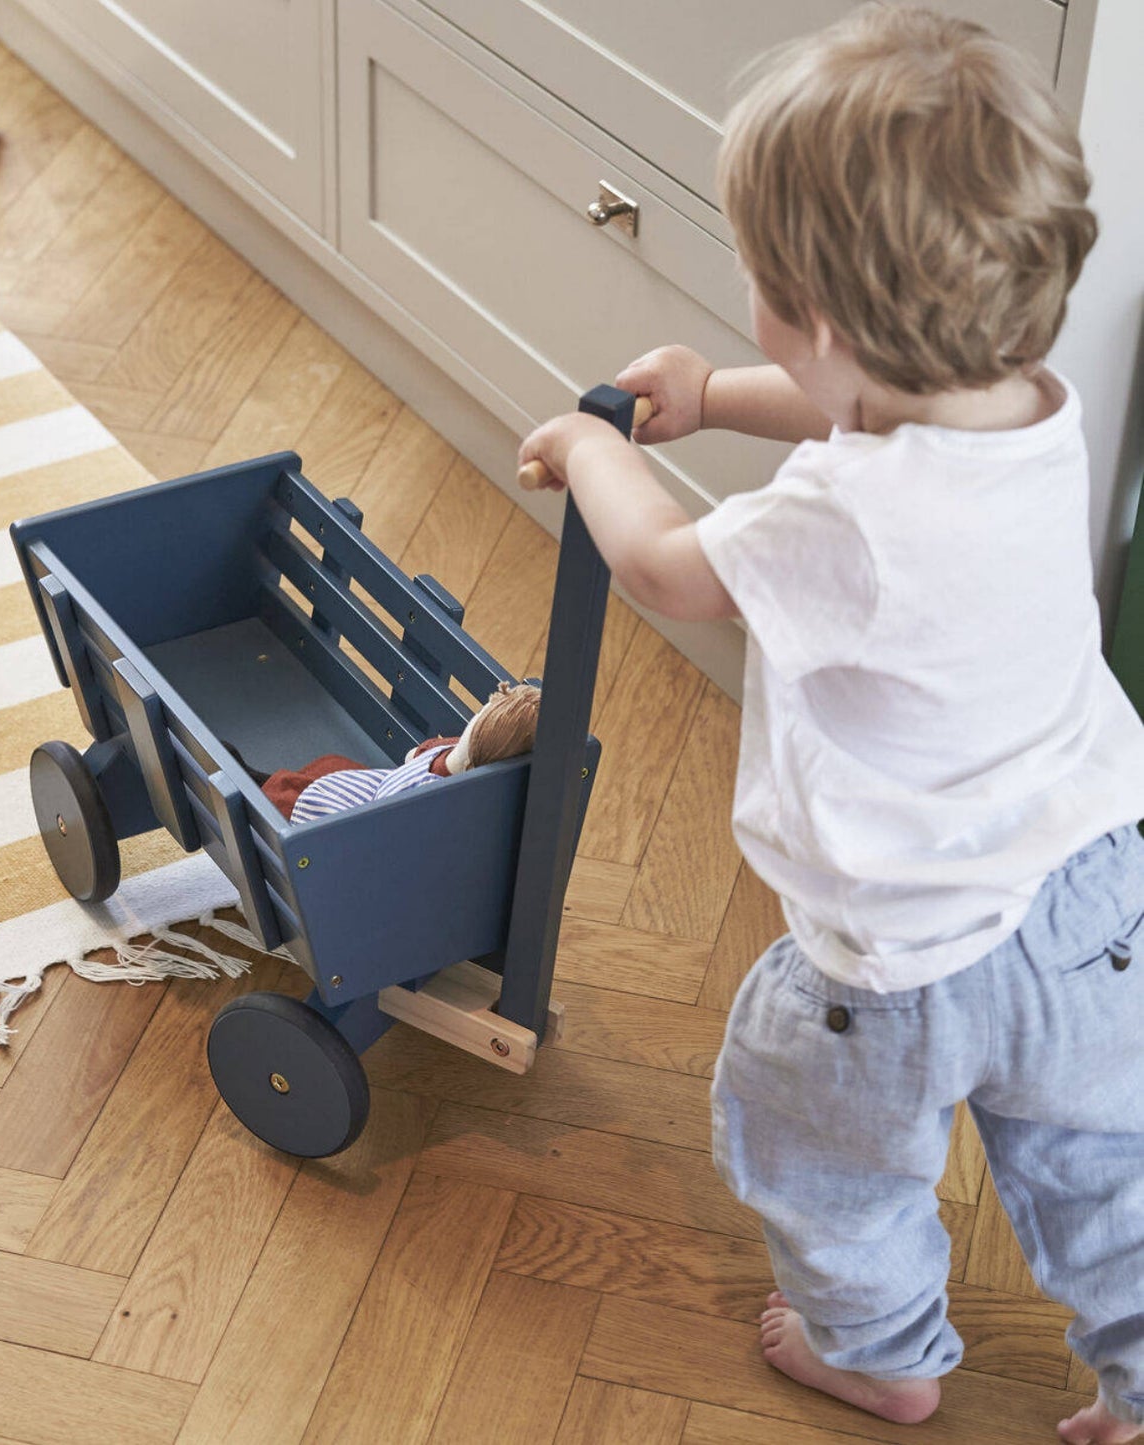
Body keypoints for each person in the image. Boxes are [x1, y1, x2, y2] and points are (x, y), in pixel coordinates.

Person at [518, 8, 1144, 1441]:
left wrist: (597, 449)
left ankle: (881, 1352)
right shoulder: (1034, 408)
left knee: (824, 1152)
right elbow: (866, 409)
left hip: (902, 958)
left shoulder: (843, 522)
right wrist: (712, 394)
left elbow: (671, 570)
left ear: (815, 315)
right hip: (1093, 899)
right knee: (1105, 1163)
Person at [229, 682, 542, 821]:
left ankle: (253, 789)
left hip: (359, 817)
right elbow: (417, 757)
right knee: (332, 768)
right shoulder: (460, 761)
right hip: (372, 792)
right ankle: (255, 779)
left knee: (292, 798)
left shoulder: (425, 791)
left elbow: (385, 808)